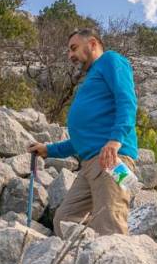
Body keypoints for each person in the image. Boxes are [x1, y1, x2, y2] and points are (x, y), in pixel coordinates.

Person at [28, 28, 138, 235]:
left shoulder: (110, 60)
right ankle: (88, 249)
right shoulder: (92, 77)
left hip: (111, 158)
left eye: (74, 48)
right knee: (64, 219)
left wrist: (115, 140)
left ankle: (112, 253)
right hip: (90, 164)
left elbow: (127, 101)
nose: (70, 55)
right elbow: (81, 139)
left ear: (93, 43)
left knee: (110, 222)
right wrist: (48, 150)